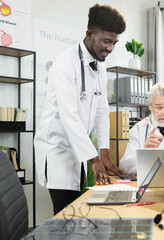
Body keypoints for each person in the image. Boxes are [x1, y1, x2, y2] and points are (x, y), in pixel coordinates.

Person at [34, 4, 126, 214]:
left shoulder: (99, 67)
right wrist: (94, 158)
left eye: (114, 42)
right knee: (65, 212)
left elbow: (102, 111)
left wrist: (104, 153)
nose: (111, 48)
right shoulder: (65, 63)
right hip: (58, 150)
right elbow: (69, 116)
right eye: (106, 41)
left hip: (80, 150)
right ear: (89, 34)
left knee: (78, 211)